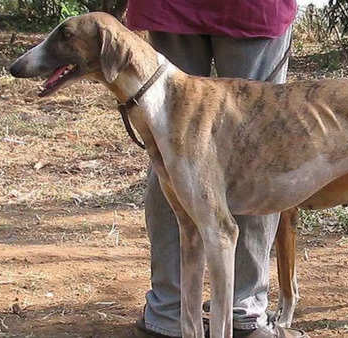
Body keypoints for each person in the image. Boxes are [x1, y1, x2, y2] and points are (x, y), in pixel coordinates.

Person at [125, 1, 307, 337]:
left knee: (171, 156)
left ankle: (169, 312)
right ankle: (243, 312)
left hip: (173, 7)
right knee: (256, 155)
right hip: (253, 9)